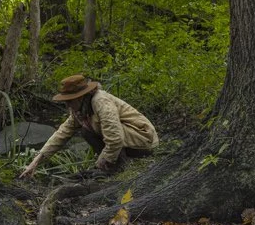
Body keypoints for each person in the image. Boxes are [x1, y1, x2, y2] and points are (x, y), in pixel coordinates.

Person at [20, 74, 158, 178]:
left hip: (143, 140)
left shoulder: (100, 101)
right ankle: (113, 166)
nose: (67, 105)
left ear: (80, 97)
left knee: (98, 131)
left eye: (69, 101)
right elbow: (62, 134)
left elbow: (115, 137)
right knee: (87, 131)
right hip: (127, 140)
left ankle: (114, 168)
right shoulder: (79, 110)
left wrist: (103, 161)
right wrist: (36, 161)